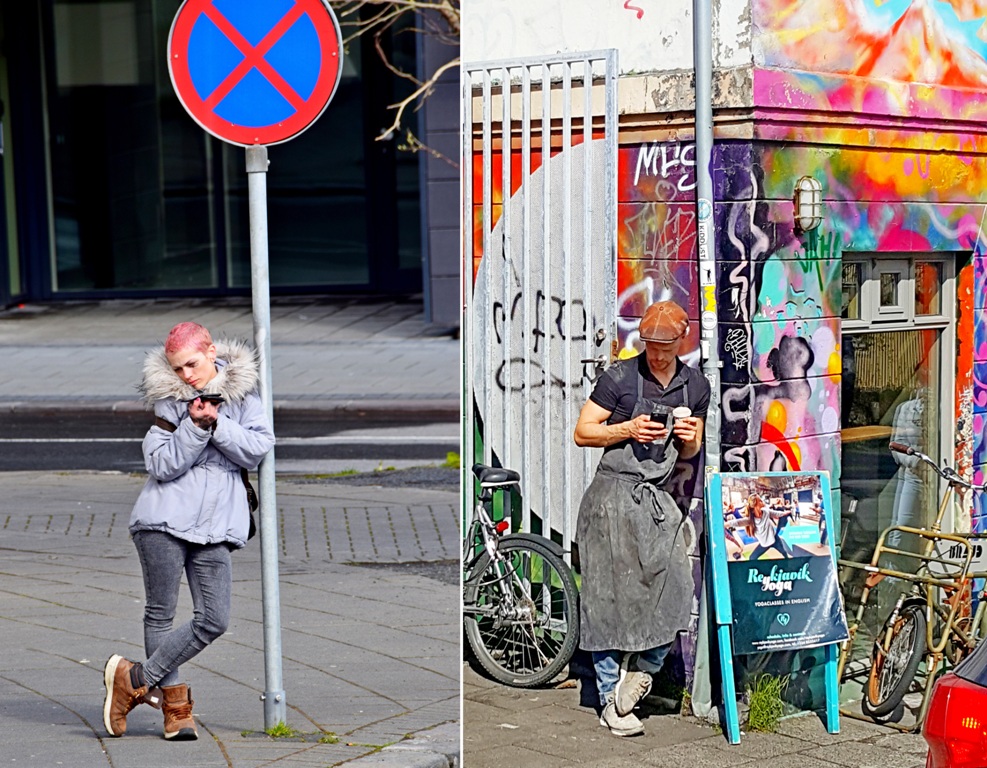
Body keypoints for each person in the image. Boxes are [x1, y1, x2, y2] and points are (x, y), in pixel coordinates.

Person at [102, 322, 275, 740]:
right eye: (177, 368)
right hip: (162, 521)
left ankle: (134, 678)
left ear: (211, 351)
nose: (186, 376)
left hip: (216, 528)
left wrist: (216, 423)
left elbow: (259, 446)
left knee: (214, 619)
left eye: (192, 365)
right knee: (160, 613)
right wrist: (194, 428)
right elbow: (162, 465)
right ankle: (176, 712)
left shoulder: (245, 396)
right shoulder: (168, 401)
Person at [573, 300, 710, 737]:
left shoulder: (696, 388)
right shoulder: (619, 378)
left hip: (653, 502)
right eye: (650, 346)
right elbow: (583, 432)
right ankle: (611, 700)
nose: (656, 355)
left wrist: (689, 440)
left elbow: (691, 451)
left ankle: (636, 680)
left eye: (665, 348)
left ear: (681, 342)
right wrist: (626, 430)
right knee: (609, 600)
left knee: (675, 586)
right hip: (611, 498)